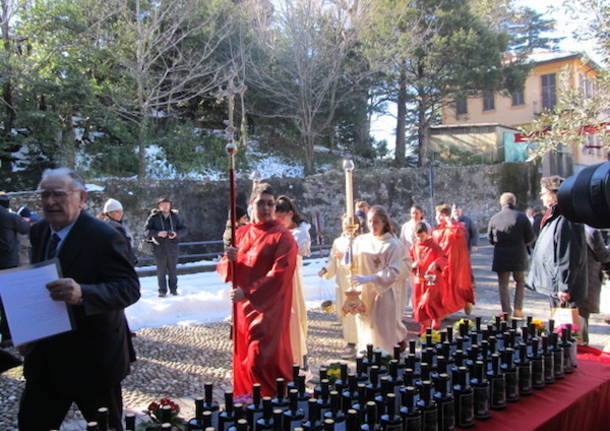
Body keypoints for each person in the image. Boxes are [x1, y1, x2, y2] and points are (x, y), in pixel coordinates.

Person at [18, 168, 140, 431]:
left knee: (105, 427)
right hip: (46, 357)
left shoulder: (105, 236)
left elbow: (129, 288)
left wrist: (83, 293)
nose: (50, 202)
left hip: (93, 357)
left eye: (59, 194)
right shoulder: (39, 231)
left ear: (82, 197)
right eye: (45, 195)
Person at [217, 183, 297, 397]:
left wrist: (249, 292)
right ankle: (248, 405)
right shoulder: (241, 234)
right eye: (261, 203)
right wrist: (230, 259)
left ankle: (273, 403)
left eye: (270, 203)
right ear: (252, 205)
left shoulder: (283, 237)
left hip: (268, 311)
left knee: (260, 359)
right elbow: (226, 269)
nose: (266, 208)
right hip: (243, 311)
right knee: (244, 360)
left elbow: (279, 274)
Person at [528, 176, 588, 318]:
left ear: (554, 195)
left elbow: (568, 255)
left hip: (564, 290)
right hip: (556, 286)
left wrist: (564, 287)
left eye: (543, 193)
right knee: (560, 328)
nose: (541, 198)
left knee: (569, 330)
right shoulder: (556, 216)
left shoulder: (566, 219)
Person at [351, 205, 408, 354]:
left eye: (376, 222)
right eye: (370, 221)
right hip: (363, 293)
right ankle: (366, 360)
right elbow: (352, 263)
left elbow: (394, 270)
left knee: (382, 330)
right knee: (365, 328)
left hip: (382, 292)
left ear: (384, 223)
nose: (372, 225)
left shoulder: (392, 244)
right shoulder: (360, 240)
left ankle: (386, 358)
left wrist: (370, 278)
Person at [275, 195, 310, 369]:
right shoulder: (277, 229)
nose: (279, 220)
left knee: (295, 315)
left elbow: (299, 250)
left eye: (282, 217)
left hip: (293, 276)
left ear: (290, 213)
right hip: (277, 278)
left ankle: (300, 357)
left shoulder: (300, 232)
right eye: (277, 218)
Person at [487, 192, 535, 318]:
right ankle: (518, 309)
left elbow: (490, 239)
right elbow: (530, 237)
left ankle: (506, 312)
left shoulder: (494, 218)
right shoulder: (522, 217)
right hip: (518, 254)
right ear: (514, 202)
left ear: (501, 203)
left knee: (503, 285)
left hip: (501, 255)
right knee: (520, 282)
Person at [318, 215, 359, 359]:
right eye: (345, 223)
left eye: (351, 224)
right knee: (346, 313)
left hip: (357, 282)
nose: (348, 227)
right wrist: (326, 270)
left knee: (358, 313)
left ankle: (358, 343)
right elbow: (333, 261)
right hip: (343, 283)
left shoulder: (362, 241)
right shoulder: (338, 241)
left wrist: (347, 256)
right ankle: (350, 341)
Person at [433, 204, 475, 316]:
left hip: (457, 263)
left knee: (459, 286)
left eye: (437, 215)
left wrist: (449, 222)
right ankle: (444, 310)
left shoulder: (457, 226)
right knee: (443, 288)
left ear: (442, 215)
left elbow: (459, 233)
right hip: (443, 264)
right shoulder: (437, 230)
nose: (436, 218)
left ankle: (465, 303)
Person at [0, 192, 30, 346]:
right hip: (8, 263)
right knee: (9, 301)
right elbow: (25, 228)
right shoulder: (8, 216)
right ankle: (7, 335)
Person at [409, 222, 448, 333]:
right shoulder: (415, 246)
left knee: (430, 302)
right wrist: (412, 264)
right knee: (419, 304)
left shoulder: (434, 246)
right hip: (419, 279)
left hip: (432, 280)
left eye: (422, 236)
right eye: (418, 237)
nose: (420, 239)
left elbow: (444, 258)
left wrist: (436, 263)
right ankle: (424, 326)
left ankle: (435, 321)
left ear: (427, 233)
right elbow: (408, 258)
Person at [145, 197, 187, 297]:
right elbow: (146, 231)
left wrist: (176, 234)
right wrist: (158, 233)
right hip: (159, 247)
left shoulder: (176, 216)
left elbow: (184, 229)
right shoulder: (153, 217)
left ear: (170, 205)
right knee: (161, 271)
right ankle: (162, 291)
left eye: (167, 204)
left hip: (173, 247)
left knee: (173, 270)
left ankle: (173, 290)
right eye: (163, 205)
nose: (165, 206)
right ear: (159, 206)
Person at [580, 226, 610, 344]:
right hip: (586, 277)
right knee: (582, 313)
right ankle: (582, 343)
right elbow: (603, 255)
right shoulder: (591, 230)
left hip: (569, 278)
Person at [100, 198, 137, 266]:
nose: (120, 214)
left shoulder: (120, 225)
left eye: (121, 211)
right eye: (117, 211)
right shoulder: (108, 227)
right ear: (109, 213)